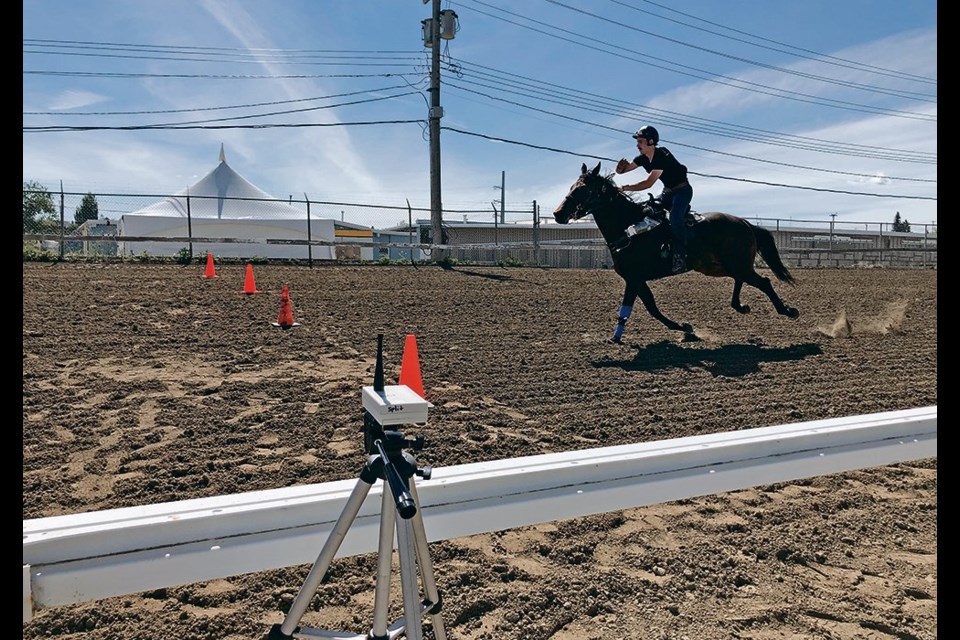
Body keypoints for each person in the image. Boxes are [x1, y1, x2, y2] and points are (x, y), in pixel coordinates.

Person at [615, 125, 693, 273]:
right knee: (648, 211)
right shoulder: (642, 159)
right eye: (637, 142)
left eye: (640, 141)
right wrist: (619, 170)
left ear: (651, 142)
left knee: (675, 218)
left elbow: (648, 183)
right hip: (668, 192)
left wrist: (624, 188)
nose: (637, 145)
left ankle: (681, 256)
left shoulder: (662, 155)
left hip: (682, 191)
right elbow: (626, 169)